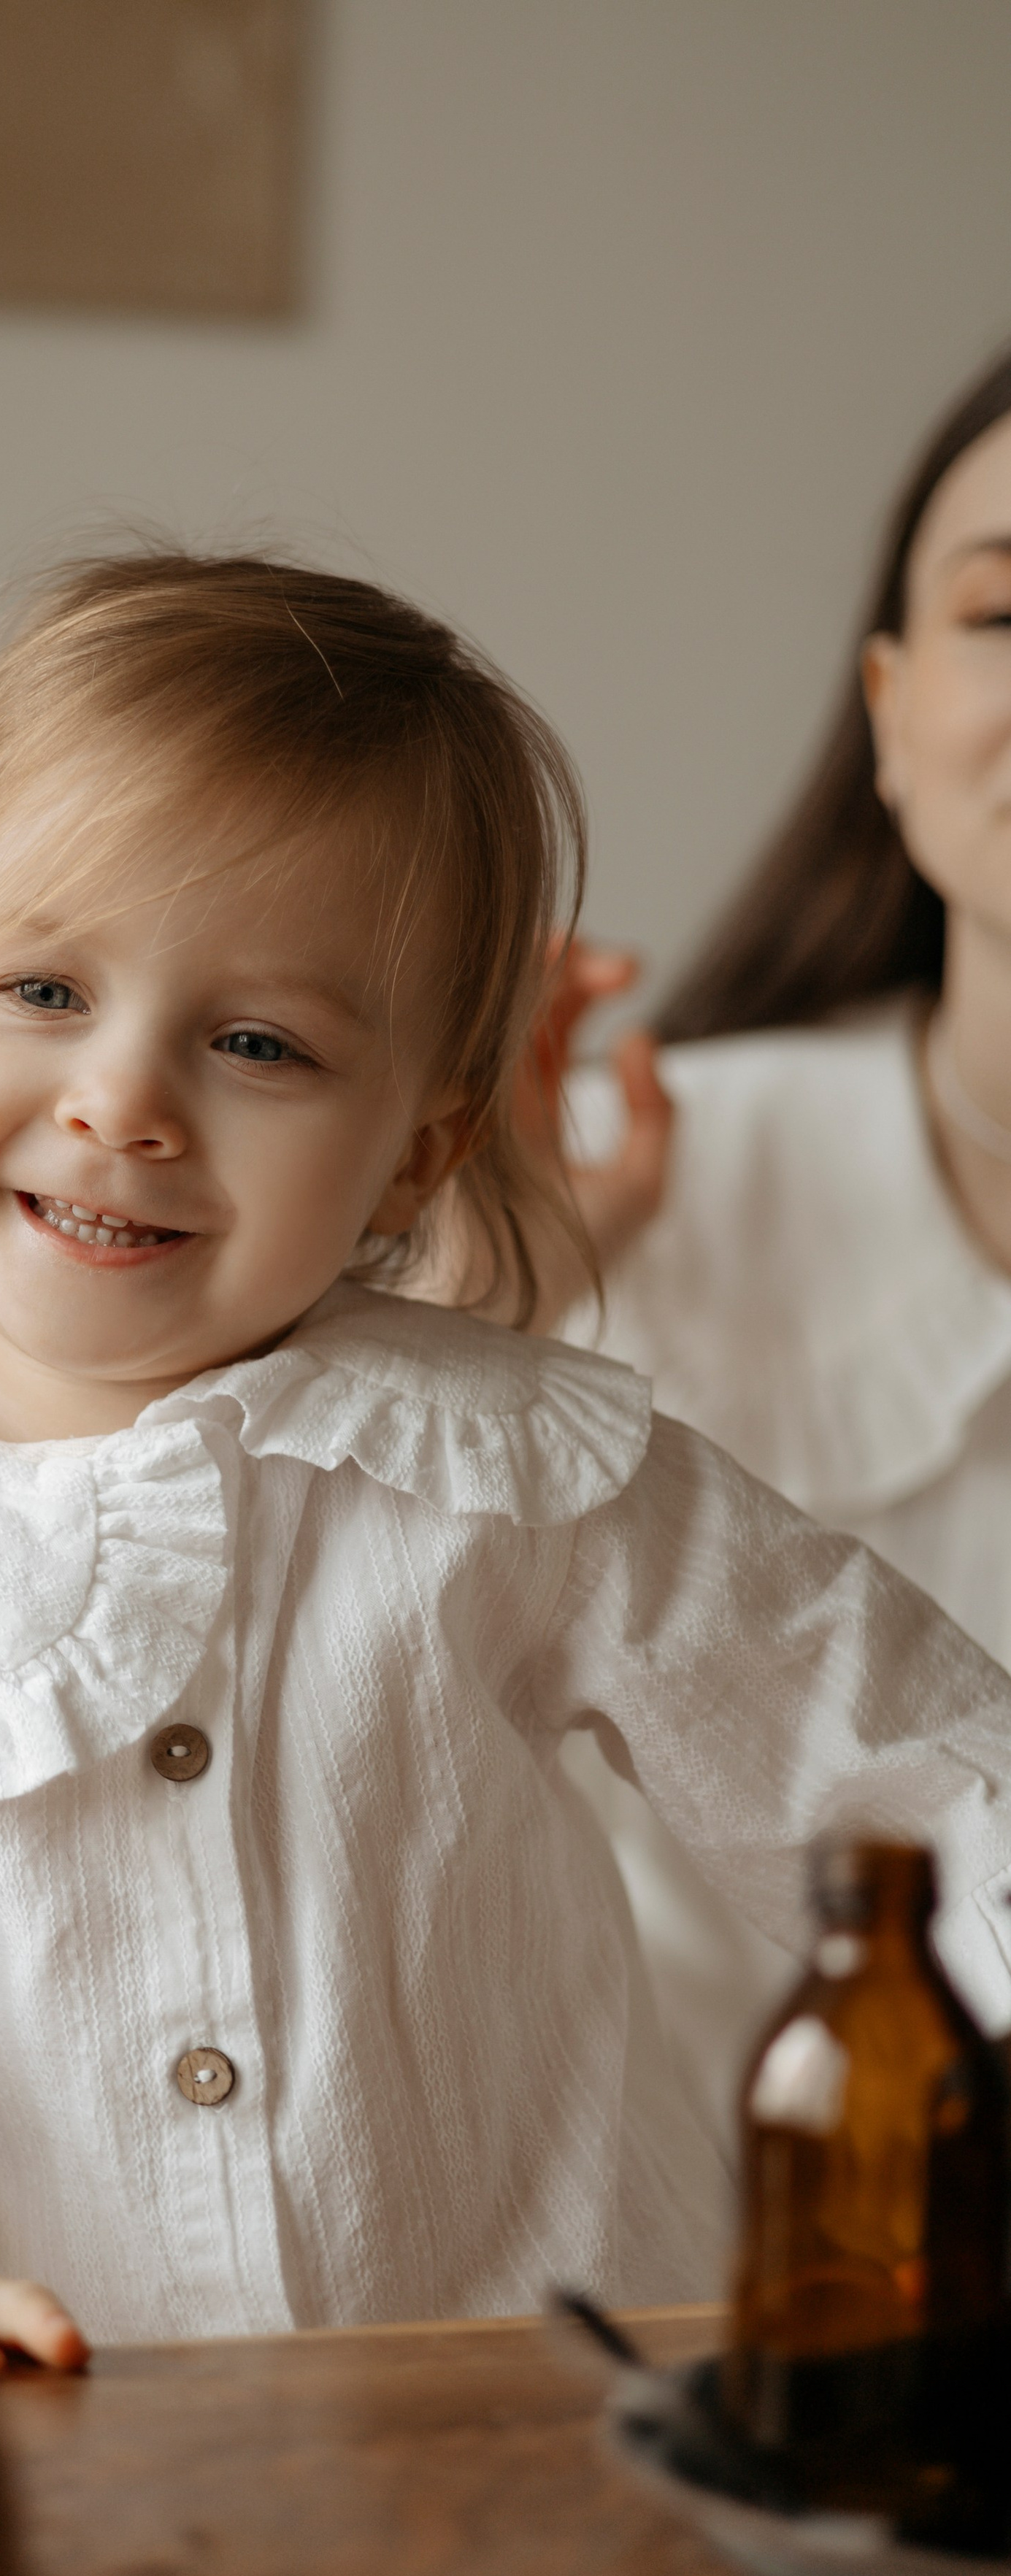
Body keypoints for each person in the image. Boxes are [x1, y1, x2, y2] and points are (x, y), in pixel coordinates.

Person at [0, 551, 1011, 2370]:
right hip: (52, 2469)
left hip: (543, 2456)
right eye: (42, 990)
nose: (120, 1100)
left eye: (256, 1043)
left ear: (413, 1153)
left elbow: (920, 1773)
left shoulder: (514, 1470)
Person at [553, 341, 1011, 2148]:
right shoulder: (614, 1190)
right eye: (1006, 612)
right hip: (663, 2321)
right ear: (891, 715)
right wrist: (454, 1314)